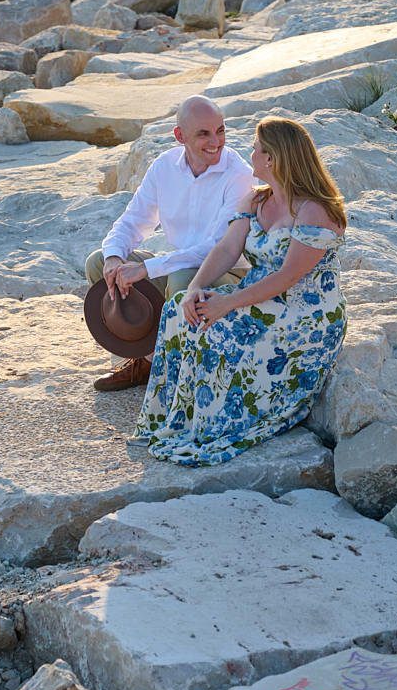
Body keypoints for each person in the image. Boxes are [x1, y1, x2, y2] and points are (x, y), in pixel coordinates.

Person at [134, 116, 347, 466]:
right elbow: (226, 250)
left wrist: (228, 304)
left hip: (304, 313)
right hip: (259, 296)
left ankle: (218, 422)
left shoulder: (315, 210)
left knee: (220, 328)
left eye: (257, 148)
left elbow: (288, 277)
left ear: (273, 159)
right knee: (178, 309)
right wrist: (196, 287)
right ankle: (179, 420)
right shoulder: (256, 200)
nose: (250, 153)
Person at [86, 95, 255, 391]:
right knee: (99, 263)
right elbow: (133, 220)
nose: (216, 141)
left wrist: (147, 269)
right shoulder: (164, 166)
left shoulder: (238, 175)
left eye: (221, 130)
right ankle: (145, 358)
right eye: (203, 133)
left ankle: (177, 371)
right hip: (178, 265)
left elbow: (219, 246)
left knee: (180, 281)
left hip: (227, 271)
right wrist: (115, 256)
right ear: (180, 136)